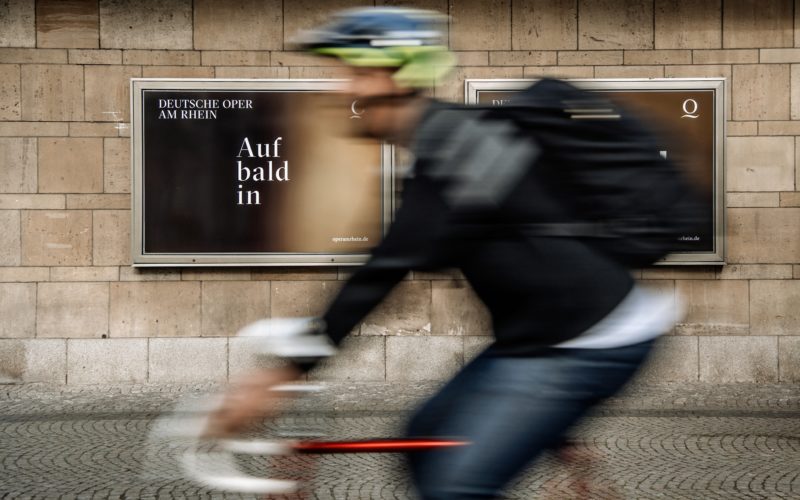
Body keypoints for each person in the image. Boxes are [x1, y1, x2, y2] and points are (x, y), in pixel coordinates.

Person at [209, 8, 689, 499]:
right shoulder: (450, 146)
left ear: (397, 76)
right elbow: (528, 260)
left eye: (352, 73)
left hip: (592, 341)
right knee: (424, 440)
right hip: (535, 339)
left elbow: (379, 274)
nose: (339, 90)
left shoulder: (452, 154)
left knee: (454, 489)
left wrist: (281, 375)